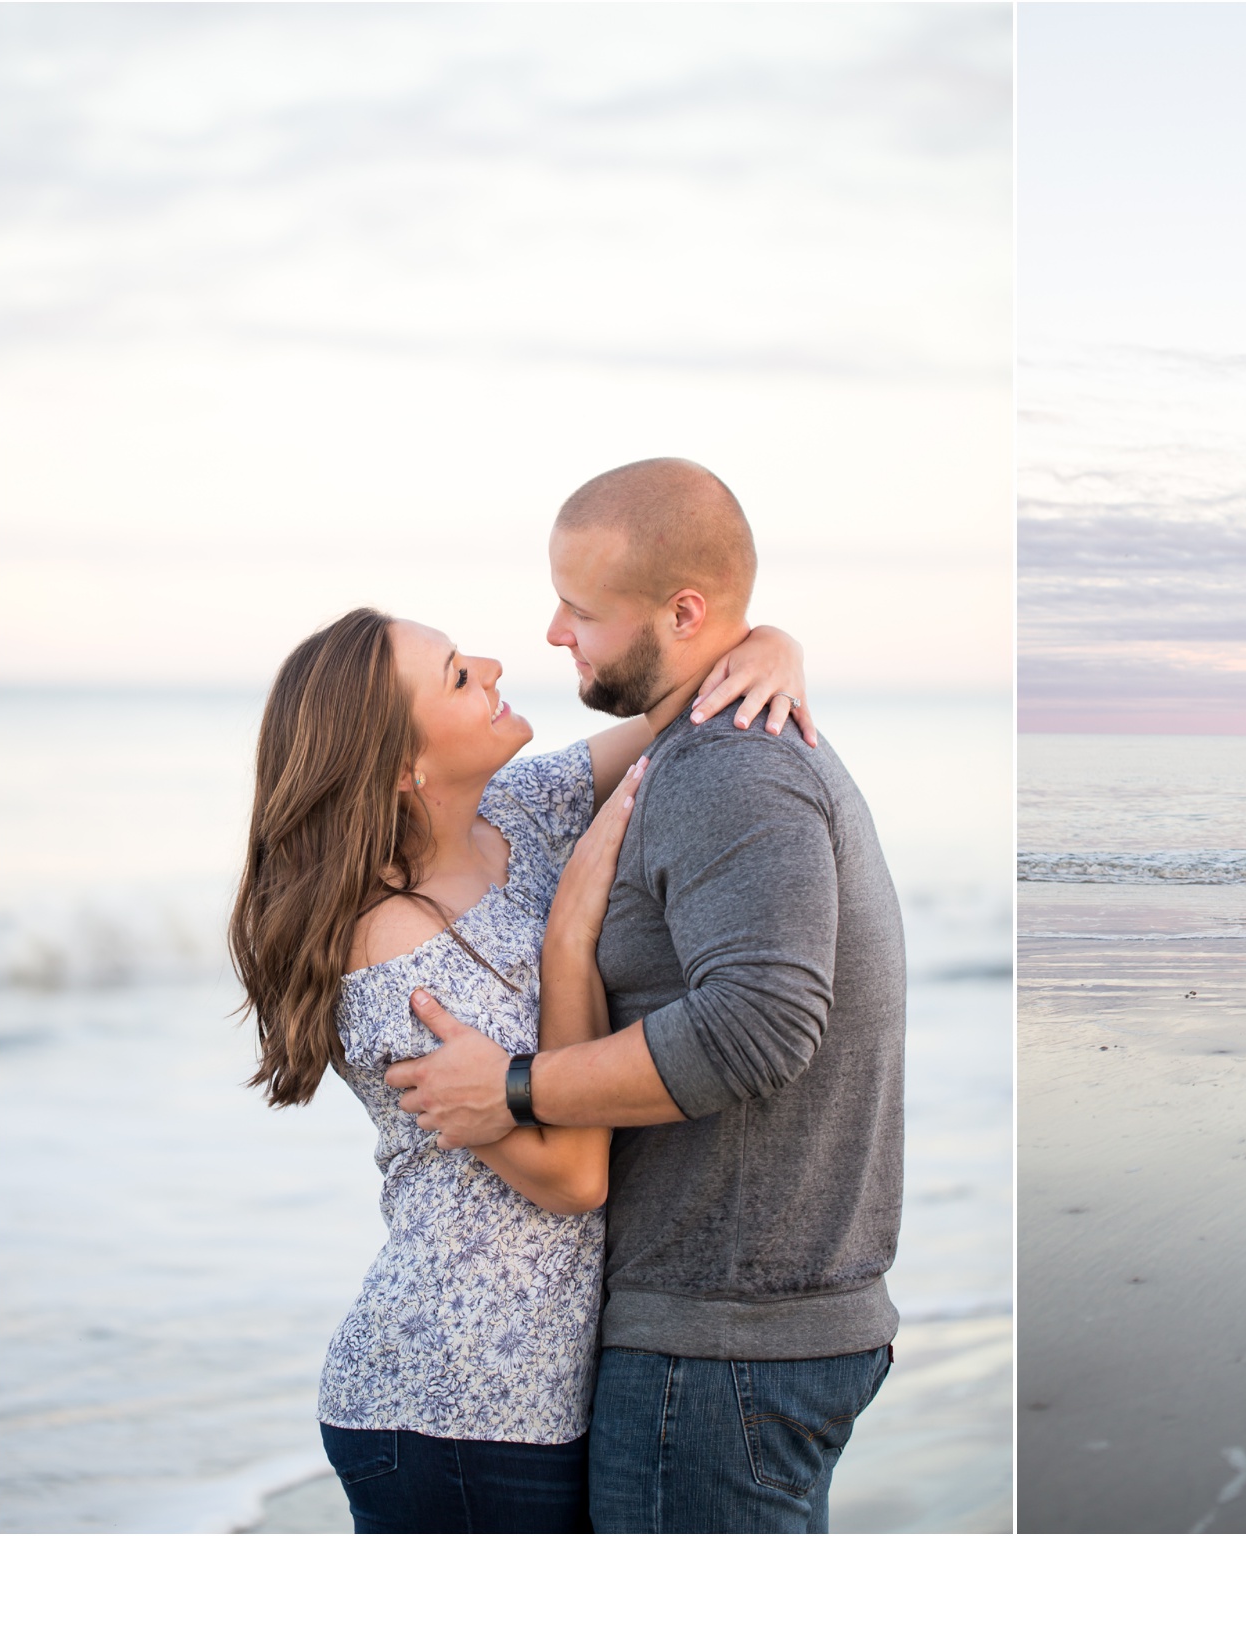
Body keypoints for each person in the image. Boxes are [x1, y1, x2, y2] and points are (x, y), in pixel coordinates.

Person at [391, 458, 907, 1534]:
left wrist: (519, 1087)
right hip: (737, 1335)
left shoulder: (727, 767)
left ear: (682, 614)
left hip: (721, 1346)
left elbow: (759, 1027)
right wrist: (766, 639)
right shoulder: (688, 750)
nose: (549, 633)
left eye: (580, 610)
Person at [229, 603, 809, 1533]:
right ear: (403, 767)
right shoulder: (391, 952)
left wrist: (775, 647)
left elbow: (683, 713)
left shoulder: (517, 811)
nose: (495, 664)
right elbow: (572, 1176)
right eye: (459, 674)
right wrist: (568, 941)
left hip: (538, 1393)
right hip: (458, 1405)